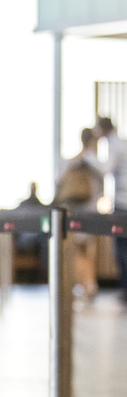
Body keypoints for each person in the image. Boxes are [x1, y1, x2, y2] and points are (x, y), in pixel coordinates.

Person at [54, 127, 106, 301]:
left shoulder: (71, 161)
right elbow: (101, 184)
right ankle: (88, 283)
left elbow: (59, 181)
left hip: (74, 209)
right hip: (89, 209)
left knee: (78, 249)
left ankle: (85, 283)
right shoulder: (92, 160)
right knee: (86, 248)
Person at [96, 116, 127, 302]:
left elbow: (106, 169)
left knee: (121, 249)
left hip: (123, 205)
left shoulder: (115, 145)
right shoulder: (121, 142)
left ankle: (125, 289)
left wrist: (87, 157)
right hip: (123, 203)